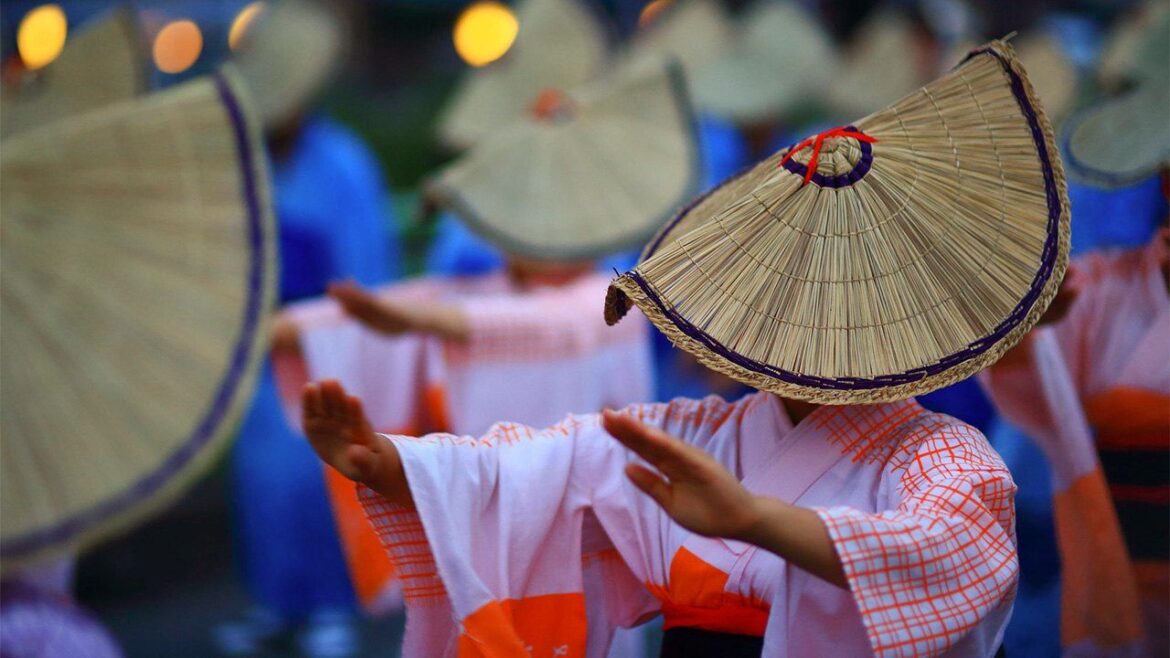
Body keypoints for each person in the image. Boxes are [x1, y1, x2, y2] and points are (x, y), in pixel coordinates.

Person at [299, 41, 1063, 656]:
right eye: (787, 304)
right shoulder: (700, 437)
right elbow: (543, 464)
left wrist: (756, 520)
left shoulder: (944, 459)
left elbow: (946, 548)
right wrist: (393, 462)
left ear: (898, 320)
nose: (810, 331)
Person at [218, 3, 400, 655]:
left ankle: (334, 602)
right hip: (258, 350)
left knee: (320, 475)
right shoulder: (246, 164)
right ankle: (277, 601)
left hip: (325, 346)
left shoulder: (343, 164)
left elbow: (366, 271)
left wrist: (326, 331)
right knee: (260, 481)